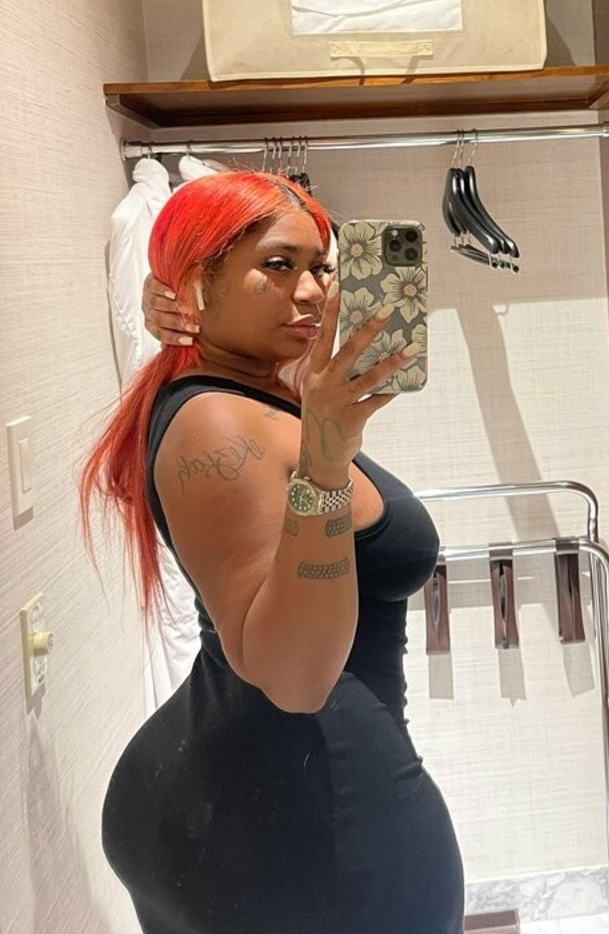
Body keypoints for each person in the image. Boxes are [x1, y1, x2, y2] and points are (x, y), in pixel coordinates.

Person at [80, 170, 464, 934]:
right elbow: (294, 678)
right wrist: (326, 459)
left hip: (249, 811)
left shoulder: (250, 387)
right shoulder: (215, 425)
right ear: (197, 283)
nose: (313, 290)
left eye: (320, 265)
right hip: (286, 841)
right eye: (279, 265)